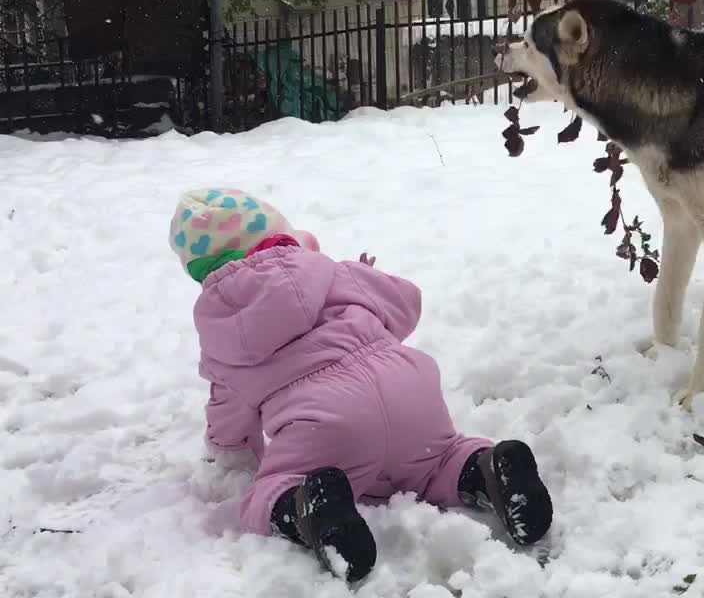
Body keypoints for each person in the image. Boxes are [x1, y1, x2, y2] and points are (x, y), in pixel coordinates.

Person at [169, 188, 552, 582]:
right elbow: (405, 305)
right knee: (439, 460)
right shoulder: (333, 271)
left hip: (325, 427)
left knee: (263, 496)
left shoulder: (223, 329)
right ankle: (487, 468)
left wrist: (230, 451)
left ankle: (307, 506)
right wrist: (366, 279)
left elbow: (228, 411)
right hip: (409, 394)